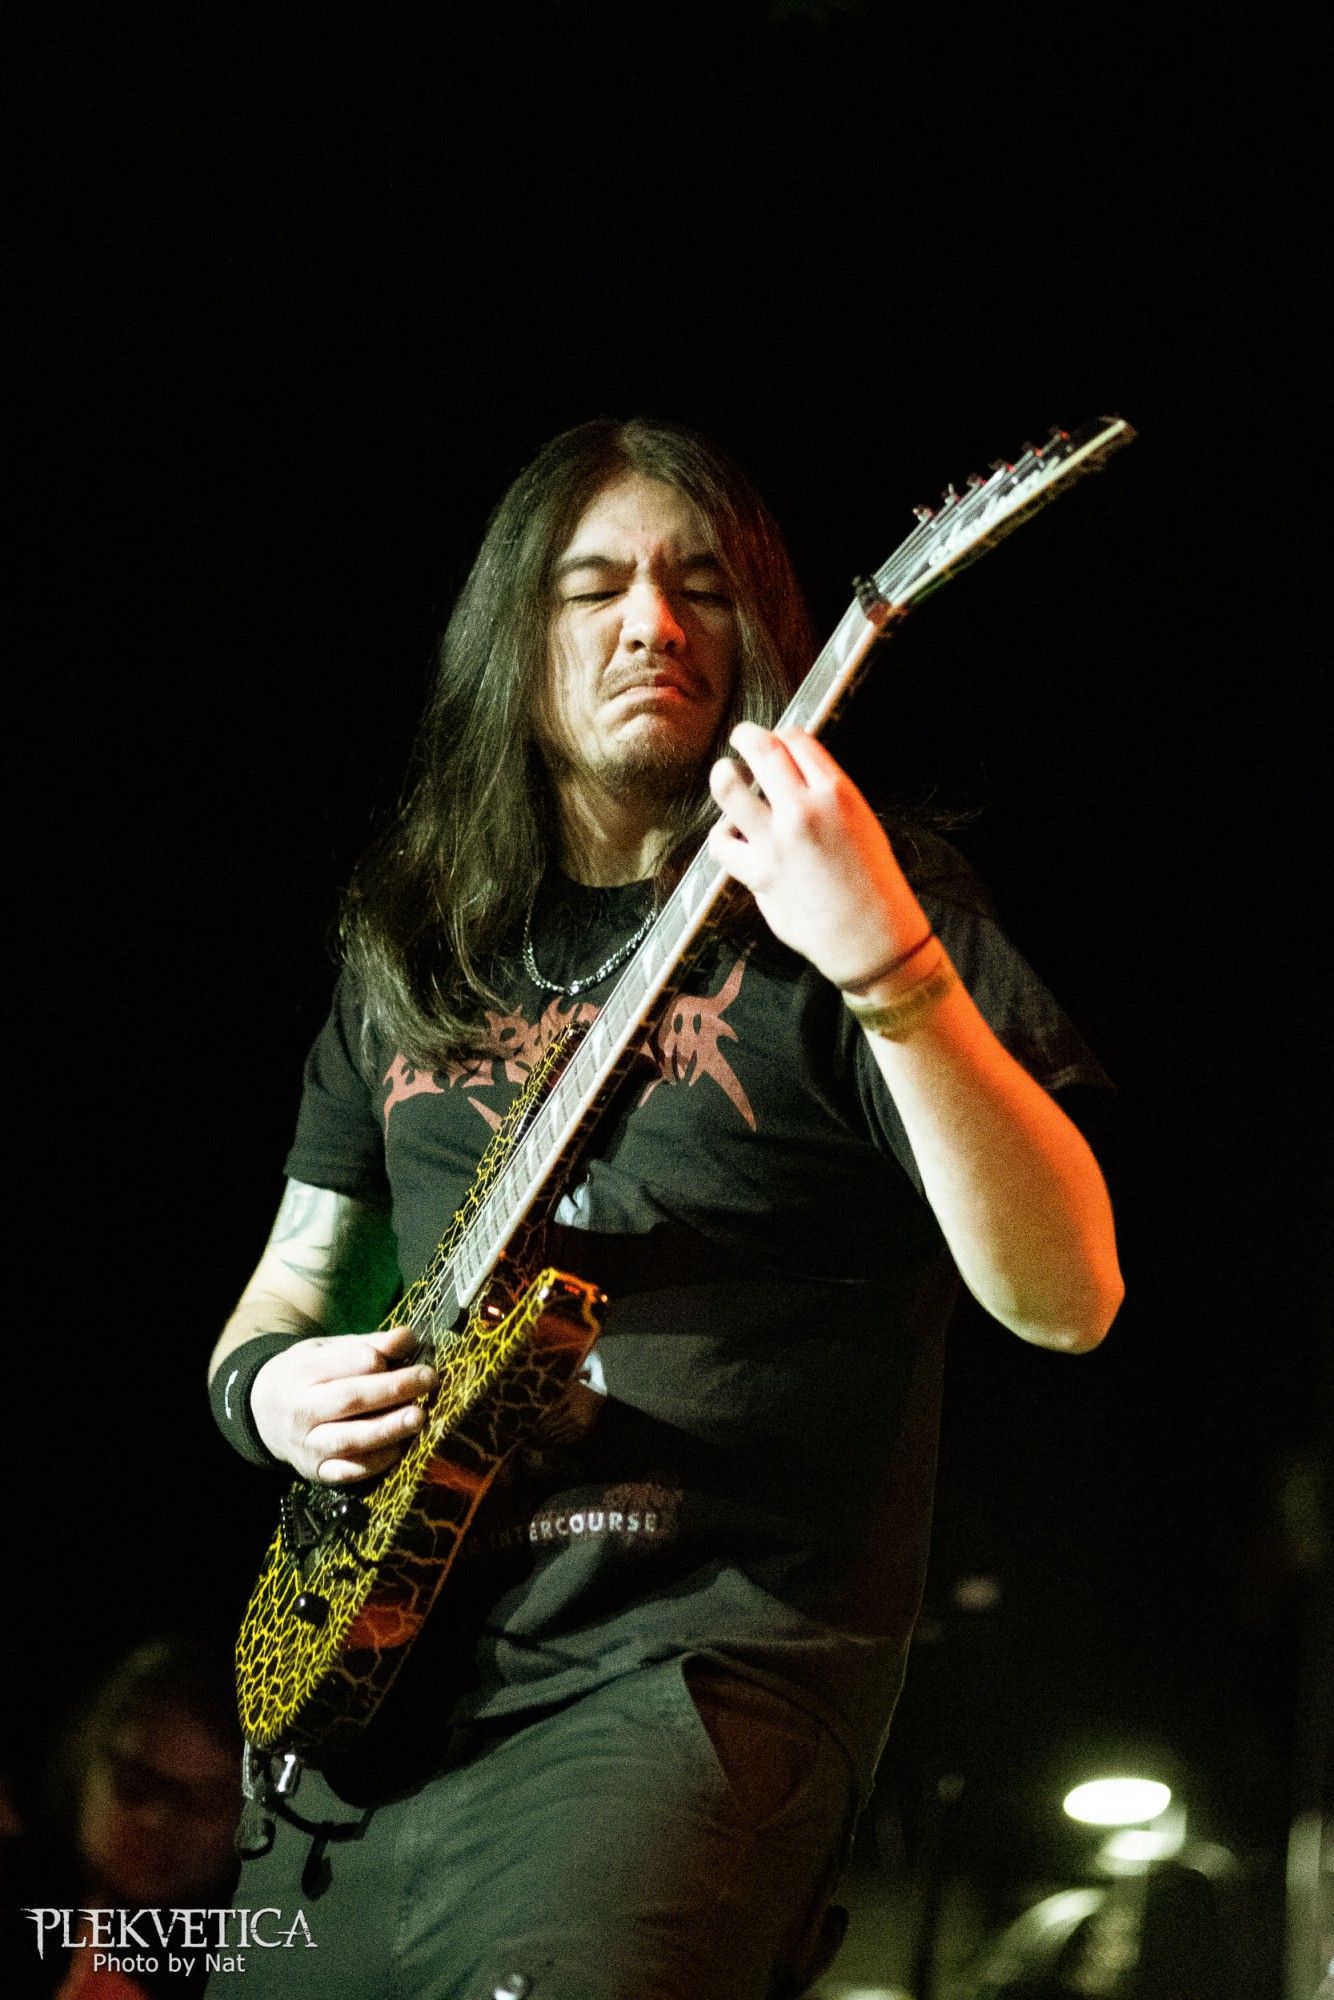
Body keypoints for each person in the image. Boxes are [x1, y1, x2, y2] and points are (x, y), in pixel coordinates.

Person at [206, 418, 1123, 2000]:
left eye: (700, 586)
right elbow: (288, 1286)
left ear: (762, 636)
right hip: (355, 1751)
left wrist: (885, 961)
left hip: (681, 1699)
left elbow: (1068, 1292)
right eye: (595, 587)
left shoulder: (869, 896)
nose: (653, 622)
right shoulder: (412, 946)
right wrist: (269, 1393)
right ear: (512, 645)